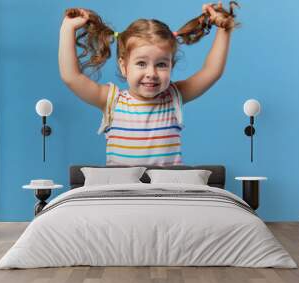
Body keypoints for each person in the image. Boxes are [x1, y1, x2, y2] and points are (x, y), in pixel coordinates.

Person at [59, 2, 238, 166]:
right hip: (122, 197)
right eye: (141, 63)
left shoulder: (174, 96)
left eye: (161, 64)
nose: (151, 74)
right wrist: (68, 28)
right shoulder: (112, 100)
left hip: (167, 196)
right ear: (124, 66)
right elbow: (71, 77)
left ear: (171, 66)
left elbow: (212, 71)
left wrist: (224, 28)